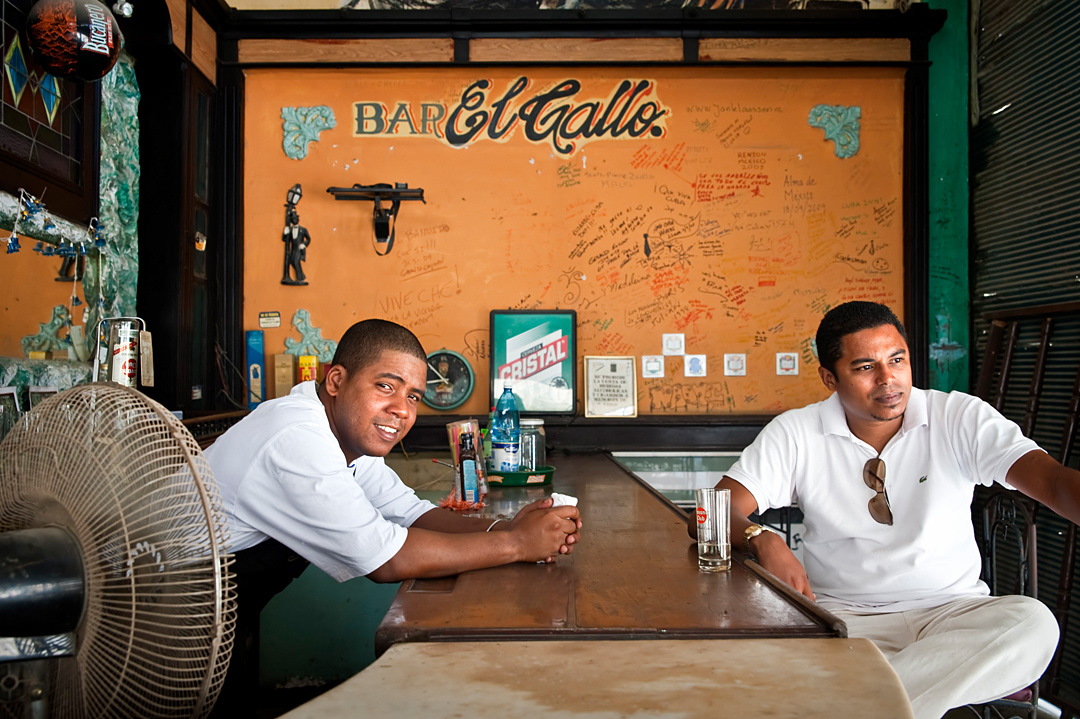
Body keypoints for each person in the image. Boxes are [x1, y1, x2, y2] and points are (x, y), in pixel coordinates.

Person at [692, 301, 1079, 719]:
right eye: (864, 367)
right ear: (829, 377)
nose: (888, 379)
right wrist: (762, 538)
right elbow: (712, 513)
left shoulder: (957, 417)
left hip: (953, 614)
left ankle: (854, 707)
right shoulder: (797, 433)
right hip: (847, 620)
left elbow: (1052, 481)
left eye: (897, 360)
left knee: (1032, 623)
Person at [205, 318, 582, 716]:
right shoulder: (297, 436)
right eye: (385, 386)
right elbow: (385, 559)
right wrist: (518, 544)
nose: (401, 410)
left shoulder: (341, 433)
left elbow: (412, 513)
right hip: (161, 614)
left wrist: (507, 526)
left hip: (221, 616)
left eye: (414, 396)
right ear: (336, 381)